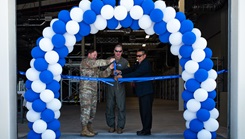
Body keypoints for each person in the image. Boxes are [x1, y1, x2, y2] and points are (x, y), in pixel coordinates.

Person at [115, 48, 154, 136]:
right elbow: (132, 69)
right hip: (142, 92)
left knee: (146, 112)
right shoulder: (139, 64)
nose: (138, 57)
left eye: (140, 56)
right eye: (137, 56)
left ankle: (146, 130)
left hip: (146, 92)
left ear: (144, 56)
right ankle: (145, 129)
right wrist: (121, 71)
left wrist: (122, 76)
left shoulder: (145, 64)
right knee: (143, 111)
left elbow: (136, 74)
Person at [79, 49, 115, 137]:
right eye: (94, 55)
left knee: (92, 110)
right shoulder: (86, 62)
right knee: (86, 110)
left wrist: (109, 69)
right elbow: (97, 63)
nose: (95, 57)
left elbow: (101, 74)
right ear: (89, 55)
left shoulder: (94, 66)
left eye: (96, 55)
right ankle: (84, 129)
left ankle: (89, 127)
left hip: (93, 90)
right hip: (86, 90)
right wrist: (108, 61)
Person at [105, 44, 129, 134]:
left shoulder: (125, 62)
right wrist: (111, 72)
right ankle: (111, 125)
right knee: (109, 106)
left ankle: (120, 127)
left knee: (121, 106)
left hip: (120, 86)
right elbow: (102, 71)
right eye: (116, 51)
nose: (118, 53)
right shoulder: (109, 60)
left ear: (122, 52)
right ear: (113, 51)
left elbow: (129, 73)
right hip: (110, 85)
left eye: (120, 51)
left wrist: (121, 74)